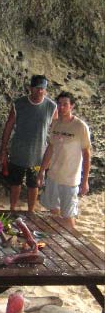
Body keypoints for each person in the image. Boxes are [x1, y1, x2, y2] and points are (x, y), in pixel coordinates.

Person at [0, 75, 57, 212]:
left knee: (34, 184)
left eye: (42, 89)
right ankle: (12, 209)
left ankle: (31, 211)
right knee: (15, 183)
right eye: (37, 88)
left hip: (38, 154)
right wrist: (3, 148)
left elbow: (55, 131)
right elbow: (9, 126)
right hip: (18, 151)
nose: (40, 91)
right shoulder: (19, 104)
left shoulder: (51, 107)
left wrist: (52, 154)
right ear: (30, 88)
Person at [37, 92, 91, 229]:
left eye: (65, 104)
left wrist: (85, 180)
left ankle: (70, 239)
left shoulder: (80, 126)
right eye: (59, 104)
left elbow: (86, 154)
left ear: (72, 106)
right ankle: (56, 236)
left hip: (69, 180)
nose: (61, 107)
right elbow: (50, 149)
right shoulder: (55, 124)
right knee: (53, 211)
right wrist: (42, 171)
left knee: (68, 216)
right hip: (53, 176)